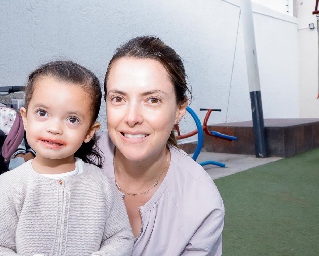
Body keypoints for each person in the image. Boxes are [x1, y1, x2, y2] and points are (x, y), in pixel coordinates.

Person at [0, 60, 134, 256]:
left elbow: (122, 238)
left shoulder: (100, 184)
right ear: (25, 118)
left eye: (72, 119)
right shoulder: (11, 183)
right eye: (42, 113)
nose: (54, 128)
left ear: (89, 132)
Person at [96, 36, 225, 255]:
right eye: (118, 98)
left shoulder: (202, 205)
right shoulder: (77, 157)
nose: (132, 117)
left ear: (179, 109)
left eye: (152, 100)